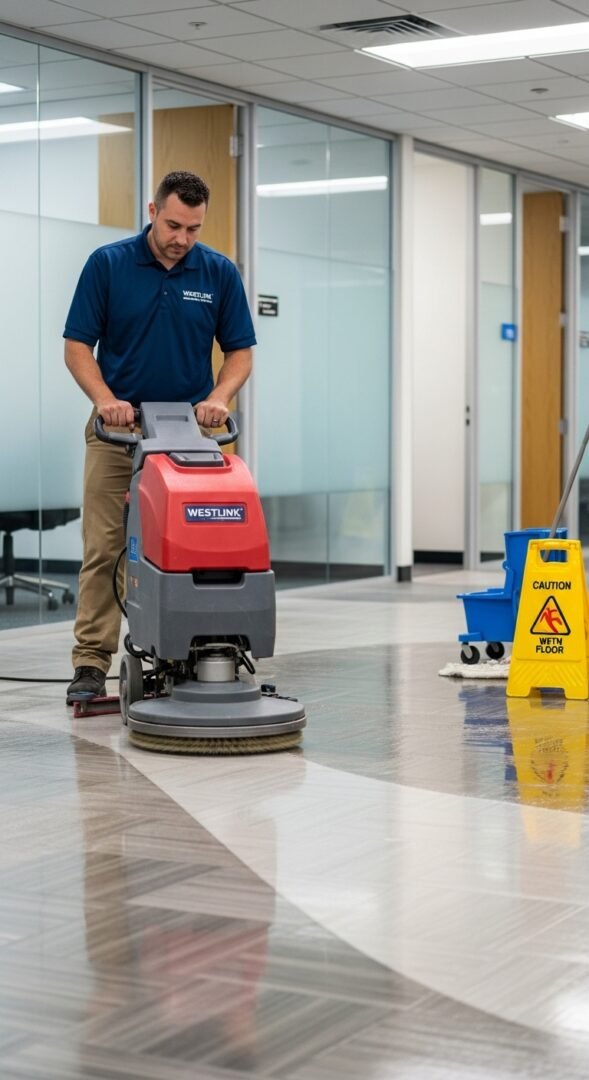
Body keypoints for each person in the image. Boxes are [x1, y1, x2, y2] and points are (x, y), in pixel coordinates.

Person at [63, 170, 256, 702]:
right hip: (117, 433)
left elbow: (240, 351)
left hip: (189, 441)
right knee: (105, 548)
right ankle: (90, 661)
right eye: (173, 225)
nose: (181, 239)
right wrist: (105, 400)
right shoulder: (109, 264)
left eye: (193, 229)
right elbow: (77, 345)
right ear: (153, 211)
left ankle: (189, 649)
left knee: (197, 547)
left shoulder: (217, 272)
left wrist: (220, 397)